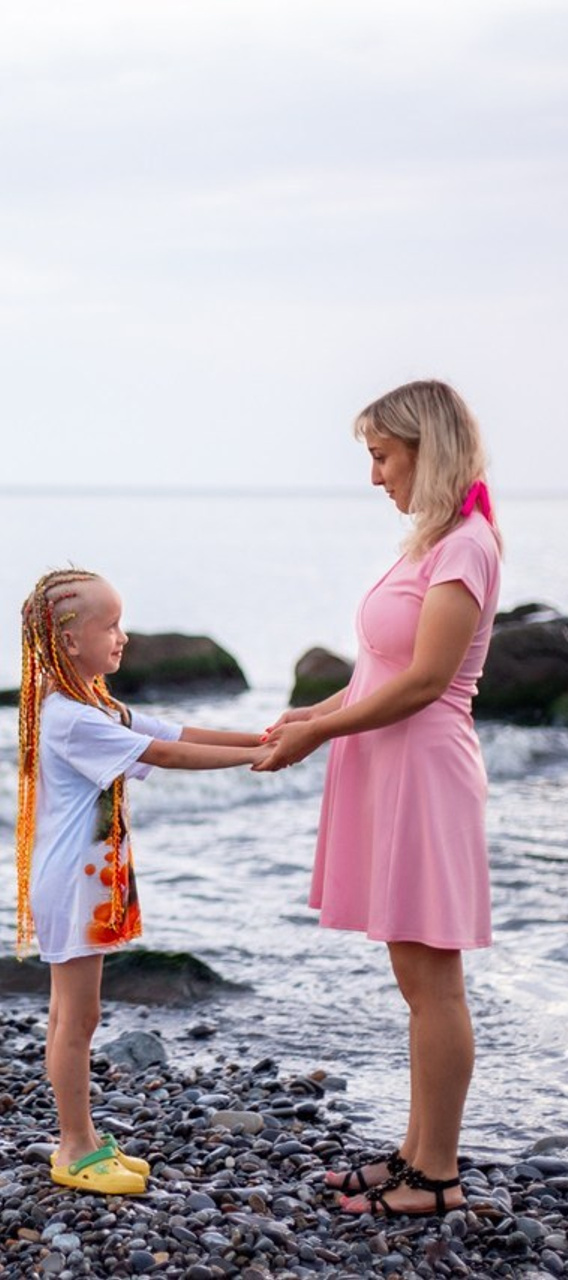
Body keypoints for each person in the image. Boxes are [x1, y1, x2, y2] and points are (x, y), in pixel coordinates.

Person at [256, 379, 502, 1219]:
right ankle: (413, 1150)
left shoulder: (466, 546)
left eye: (382, 456)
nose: (375, 476)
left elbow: (430, 682)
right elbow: (381, 670)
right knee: (414, 976)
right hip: (392, 770)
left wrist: (322, 736)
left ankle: (437, 1176)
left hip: (426, 776)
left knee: (436, 981)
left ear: (424, 451)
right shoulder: (429, 543)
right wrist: (317, 712)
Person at [16, 568, 269, 1195]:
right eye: (111, 626)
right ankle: (74, 1145)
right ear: (70, 641)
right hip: (73, 884)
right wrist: (260, 758)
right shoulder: (71, 717)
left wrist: (264, 736)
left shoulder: (94, 702)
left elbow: (174, 732)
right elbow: (168, 756)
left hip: (85, 878)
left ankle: (82, 1136)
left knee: (74, 1015)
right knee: (77, 1020)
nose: (123, 637)